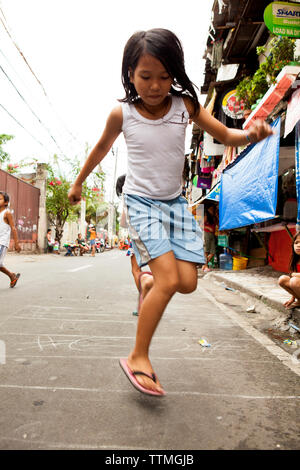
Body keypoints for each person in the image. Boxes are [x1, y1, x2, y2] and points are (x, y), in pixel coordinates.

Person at [68, 28, 273, 396]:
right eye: (146, 76)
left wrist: (251, 135)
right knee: (167, 281)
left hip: (175, 202)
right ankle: (138, 357)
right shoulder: (123, 114)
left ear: (175, 74)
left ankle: (148, 284)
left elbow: (226, 135)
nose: (155, 86)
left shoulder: (185, 106)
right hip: (141, 203)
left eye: (164, 77)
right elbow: (100, 149)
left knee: (187, 283)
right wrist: (79, 182)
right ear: (130, 73)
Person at [116, 173, 154, 316]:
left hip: (137, 235)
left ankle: (145, 300)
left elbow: (124, 221)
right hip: (154, 233)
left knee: (136, 270)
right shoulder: (145, 191)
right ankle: (150, 299)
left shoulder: (128, 195)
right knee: (157, 267)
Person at [0, 191, 21, 287]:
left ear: (6, 202)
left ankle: (12, 276)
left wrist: (16, 243)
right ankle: (12, 276)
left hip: (1, 242)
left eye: (0, 199)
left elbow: (13, 228)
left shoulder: (7, 213)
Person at [278, 231, 300, 309]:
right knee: (282, 279)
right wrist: (293, 298)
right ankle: (299, 301)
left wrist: (293, 274)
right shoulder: (295, 260)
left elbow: (294, 278)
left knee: (294, 280)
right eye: (296, 242)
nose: (298, 245)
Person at [202, 204, 218, 272]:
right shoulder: (206, 215)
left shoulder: (213, 217)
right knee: (206, 251)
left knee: (213, 252)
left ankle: (204, 264)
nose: (212, 210)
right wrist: (208, 227)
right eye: (211, 209)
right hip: (206, 233)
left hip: (212, 234)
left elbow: (217, 224)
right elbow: (200, 225)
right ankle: (205, 266)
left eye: (213, 209)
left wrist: (216, 216)